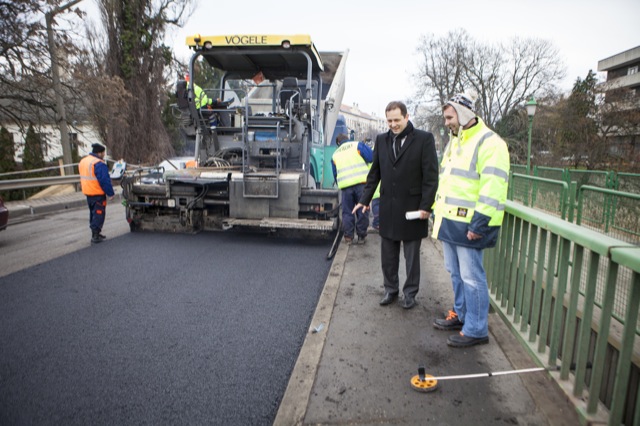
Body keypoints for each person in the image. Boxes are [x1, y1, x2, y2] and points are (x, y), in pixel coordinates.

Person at [431, 93, 510, 347]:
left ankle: (476, 329)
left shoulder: (490, 142)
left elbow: (493, 186)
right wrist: (436, 211)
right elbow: (448, 181)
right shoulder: (456, 142)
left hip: (470, 223)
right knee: (455, 273)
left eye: (449, 117)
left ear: (464, 114)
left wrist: (480, 223)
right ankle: (461, 314)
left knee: (472, 277)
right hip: (451, 220)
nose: (446, 123)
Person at [353, 101, 439, 309]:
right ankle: (390, 290)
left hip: (413, 208)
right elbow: (375, 173)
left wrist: (426, 207)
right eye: (389, 121)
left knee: (411, 256)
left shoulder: (424, 139)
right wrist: (365, 200)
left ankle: (410, 294)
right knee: (388, 255)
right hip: (388, 208)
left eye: (396, 120)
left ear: (407, 117)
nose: (393, 124)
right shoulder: (382, 140)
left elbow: (431, 176)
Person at [332, 134, 373, 244]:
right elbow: (371, 157)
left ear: (338, 143)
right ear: (348, 139)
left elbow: (335, 174)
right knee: (363, 209)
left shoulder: (335, 154)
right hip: (361, 184)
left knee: (347, 211)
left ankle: (348, 237)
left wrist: (340, 183)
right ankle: (361, 236)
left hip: (346, 187)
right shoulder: (357, 145)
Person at [79, 143, 115, 244]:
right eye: (103, 153)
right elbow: (104, 180)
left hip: (88, 192)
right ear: (99, 153)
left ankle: (95, 232)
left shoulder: (84, 161)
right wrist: (110, 193)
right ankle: (95, 235)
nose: (104, 154)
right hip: (97, 193)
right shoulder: (99, 163)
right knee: (99, 213)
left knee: (93, 213)